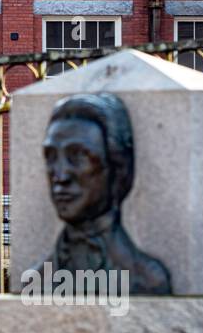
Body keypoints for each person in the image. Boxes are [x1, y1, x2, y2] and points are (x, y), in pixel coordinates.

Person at [40, 92, 172, 295]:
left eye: (79, 156)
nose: (60, 175)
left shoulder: (146, 279)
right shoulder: (38, 278)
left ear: (117, 168)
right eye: (51, 157)